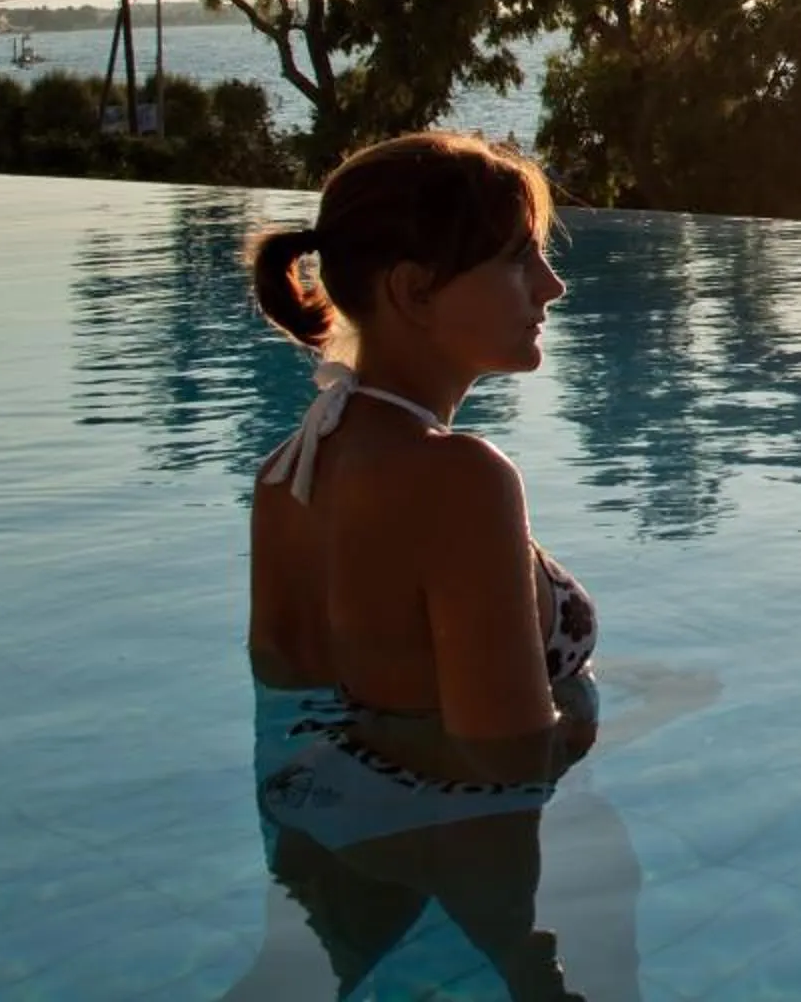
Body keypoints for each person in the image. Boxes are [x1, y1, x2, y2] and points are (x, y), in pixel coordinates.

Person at [239, 131, 601, 999]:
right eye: (520, 262)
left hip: (326, 846)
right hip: (455, 875)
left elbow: (312, 709)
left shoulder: (292, 469)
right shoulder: (458, 480)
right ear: (413, 291)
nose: (550, 286)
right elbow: (507, 763)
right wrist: (594, 728)